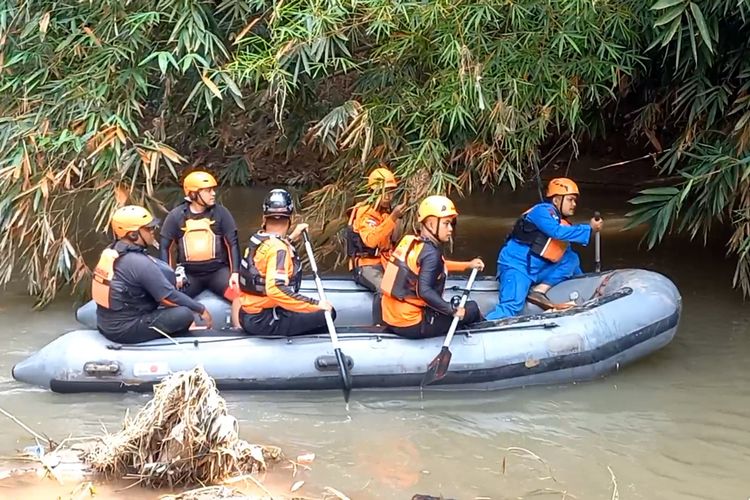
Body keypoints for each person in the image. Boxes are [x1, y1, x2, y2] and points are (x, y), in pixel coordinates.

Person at [485, 178, 603, 320]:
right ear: (556, 200)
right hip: (517, 265)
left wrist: (585, 283)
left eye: (574, 201)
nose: (574, 204)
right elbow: (556, 232)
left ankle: (540, 290)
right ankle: (479, 328)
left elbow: (565, 252)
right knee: (512, 306)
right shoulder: (541, 212)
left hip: (537, 268)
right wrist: (589, 229)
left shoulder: (559, 219)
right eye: (570, 200)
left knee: (571, 259)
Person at [92, 205, 213, 344]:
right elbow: (169, 296)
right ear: (133, 234)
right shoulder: (138, 263)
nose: (153, 232)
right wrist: (201, 309)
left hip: (106, 323)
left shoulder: (111, 252)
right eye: (148, 229)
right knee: (184, 314)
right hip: (125, 330)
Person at [231, 188, 335, 336]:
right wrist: (316, 304)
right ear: (289, 219)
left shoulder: (260, 239)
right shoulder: (279, 250)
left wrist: (292, 237)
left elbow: (274, 247)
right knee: (329, 314)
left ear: (264, 218)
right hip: (265, 319)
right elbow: (276, 289)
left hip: (250, 313)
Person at [380, 195, 485, 338]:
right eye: (446, 223)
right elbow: (424, 291)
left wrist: (467, 265)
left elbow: (434, 266)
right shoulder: (430, 254)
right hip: (413, 324)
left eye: (451, 224)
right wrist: (451, 310)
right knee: (472, 308)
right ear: (430, 224)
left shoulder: (411, 242)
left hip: (390, 317)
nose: (450, 229)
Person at [159, 170, 241, 301]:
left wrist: (235, 273)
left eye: (213, 190)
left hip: (218, 272)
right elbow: (165, 248)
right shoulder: (175, 216)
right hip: (190, 274)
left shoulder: (221, 213)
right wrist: (169, 277)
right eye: (208, 191)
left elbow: (232, 244)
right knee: (169, 300)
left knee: (240, 298)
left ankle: (238, 321)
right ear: (193, 194)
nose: (213, 194)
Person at [345, 167, 406, 292]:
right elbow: (371, 240)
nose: (388, 196)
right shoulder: (365, 212)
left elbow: (394, 240)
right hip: (366, 265)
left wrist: (397, 219)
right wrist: (393, 218)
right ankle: (380, 312)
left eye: (390, 192)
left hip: (386, 262)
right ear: (373, 192)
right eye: (384, 192)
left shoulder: (387, 213)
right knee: (384, 289)